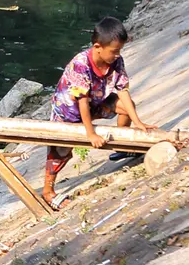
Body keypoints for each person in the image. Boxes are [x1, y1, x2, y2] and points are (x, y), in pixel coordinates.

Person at [43, 17, 156, 209]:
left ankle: (123, 147)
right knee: (60, 152)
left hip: (96, 101)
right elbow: (82, 101)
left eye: (119, 50)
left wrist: (138, 122)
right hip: (69, 112)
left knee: (126, 107)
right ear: (97, 47)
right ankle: (48, 191)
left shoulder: (116, 61)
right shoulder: (81, 64)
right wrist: (90, 134)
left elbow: (122, 90)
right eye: (113, 51)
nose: (117, 55)